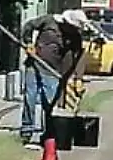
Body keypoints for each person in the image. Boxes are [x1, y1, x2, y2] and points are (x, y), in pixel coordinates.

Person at [17, 9, 91, 145]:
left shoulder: (75, 37)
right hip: (33, 65)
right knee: (29, 98)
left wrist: (78, 78)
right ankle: (26, 131)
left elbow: (79, 57)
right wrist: (28, 43)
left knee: (50, 105)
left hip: (52, 72)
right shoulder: (48, 21)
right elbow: (28, 26)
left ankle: (49, 134)